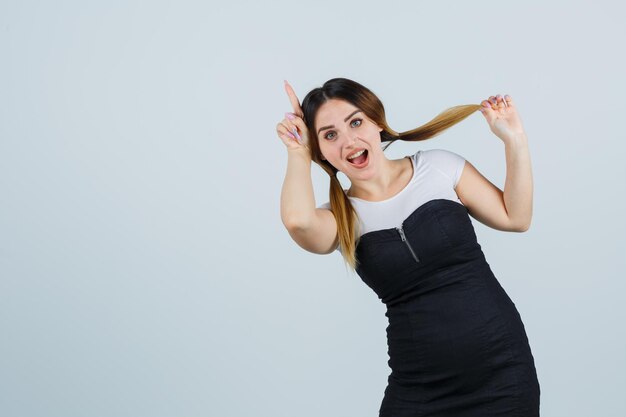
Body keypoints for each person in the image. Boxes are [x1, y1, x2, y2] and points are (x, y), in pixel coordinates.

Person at [276, 77, 539, 416]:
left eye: (356, 122)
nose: (349, 141)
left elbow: (516, 217)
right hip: (419, 390)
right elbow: (297, 221)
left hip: (502, 372)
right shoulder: (340, 219)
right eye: (329, 135)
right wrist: (298, 152)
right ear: (321, 151)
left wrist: (514, 141)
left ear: (376, 123)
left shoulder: (439, 168)